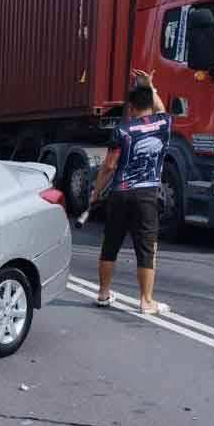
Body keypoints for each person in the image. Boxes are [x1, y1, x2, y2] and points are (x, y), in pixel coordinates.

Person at [91, 69, 170, 315]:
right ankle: (146, 301)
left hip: (120, 194)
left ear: (131, 107)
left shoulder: (123, 131)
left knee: (111, 244)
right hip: (147, 196)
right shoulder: (164, 123)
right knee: (147, 249)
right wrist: (150, 85)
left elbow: (110, 166)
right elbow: (160, 107)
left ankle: (103, 293)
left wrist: (96, 192)